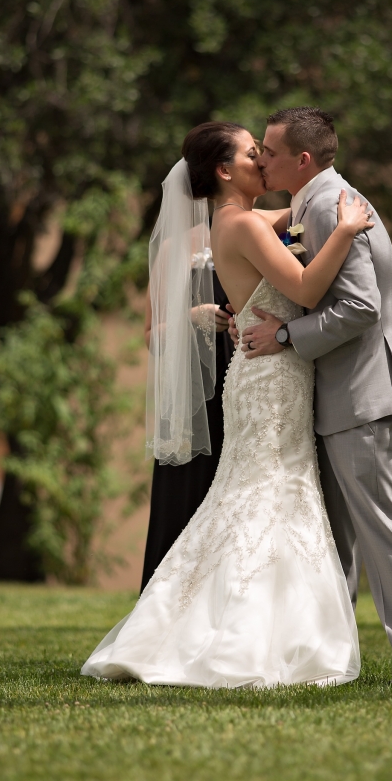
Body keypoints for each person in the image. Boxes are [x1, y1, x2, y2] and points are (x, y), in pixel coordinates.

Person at [82, 121, 373, 688]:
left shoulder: (230, 221)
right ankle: (247, 636)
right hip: (269, 380)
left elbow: (291, 215)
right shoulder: (238, 223)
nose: (262, 159)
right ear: (223, 170)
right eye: (251, 153)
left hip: (264, 373)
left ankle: (244, 626)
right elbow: (308, 290)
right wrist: (347, 229)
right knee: (264, 494)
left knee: (258, 494)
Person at [234, 107, 392, 685]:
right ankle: (338, 658)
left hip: (361, 394)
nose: (260, 160)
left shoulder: (331, 208)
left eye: (270, 152)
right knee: (334, 537)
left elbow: (360, 307)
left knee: (383, 531)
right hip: (337, 395)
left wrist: (282, 335)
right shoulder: (317, 202)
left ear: (302, 160)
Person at [139, 262, 233, 592]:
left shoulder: (252, 224)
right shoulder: (171, 246)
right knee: (183, 494)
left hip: (240, 377)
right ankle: (168, 600)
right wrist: (193, 318)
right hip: (189, 394)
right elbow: (151, 335)